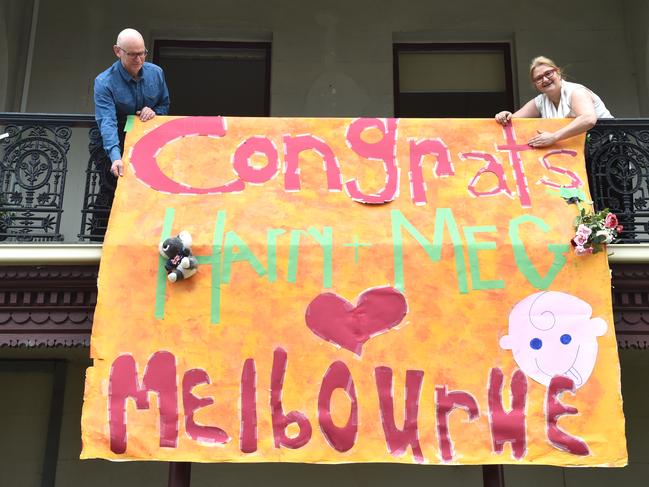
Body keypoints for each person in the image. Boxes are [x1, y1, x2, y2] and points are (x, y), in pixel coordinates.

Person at [94, 28, 170, 177]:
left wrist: (154, 112)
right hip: (117, 141)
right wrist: (116, 157)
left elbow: (164, 105)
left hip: (149, 142)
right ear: (118, 51)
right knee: (111, 194)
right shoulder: (104, 82)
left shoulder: (156, 73)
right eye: (132, 54)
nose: (139, 59)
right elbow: (107, 122)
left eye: (142, 53)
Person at [494, 56, 612, 147]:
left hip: (608, 148)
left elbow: (588, 119)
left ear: (558, 72)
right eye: (538, 78)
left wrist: (554, 137)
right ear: (535, 85)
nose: (545, 79)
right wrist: (504, 116)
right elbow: (513, 120)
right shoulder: (540, 101)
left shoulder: (576, 91)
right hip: (584, 153)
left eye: (548, 73)